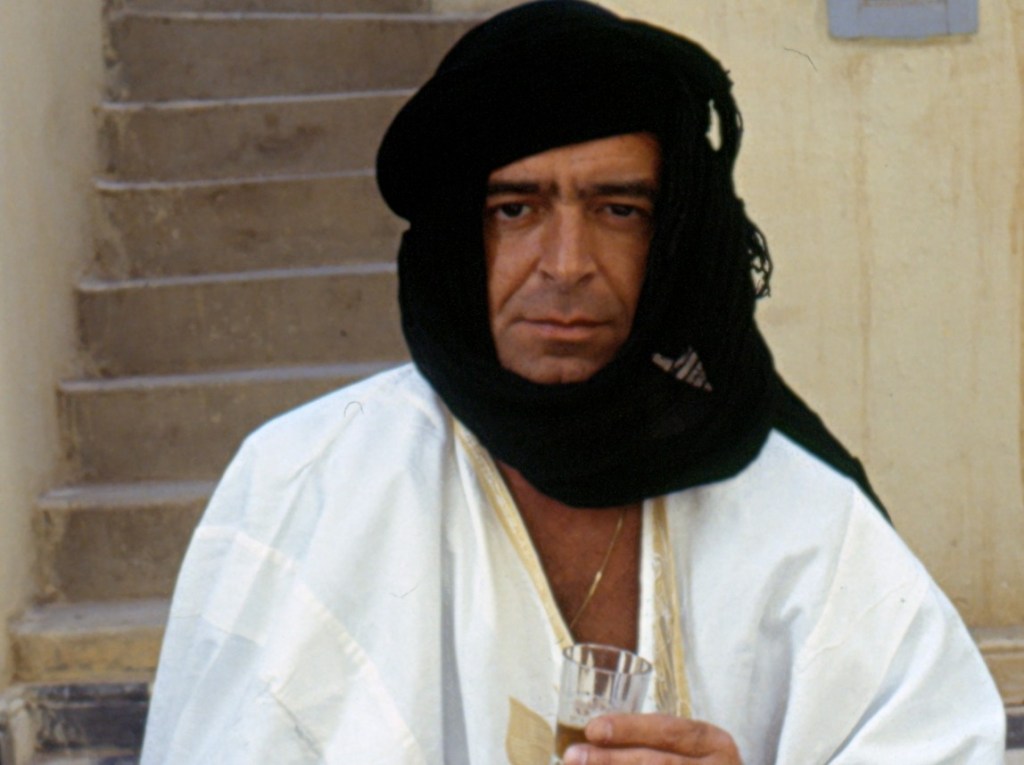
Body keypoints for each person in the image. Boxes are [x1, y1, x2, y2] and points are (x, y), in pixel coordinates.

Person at [140, 2, 1006, 763]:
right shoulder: (306, 487)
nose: (566, 264)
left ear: (672, 239)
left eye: (617, 211)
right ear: (457, 237)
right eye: (515, 210)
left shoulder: (802, 515)